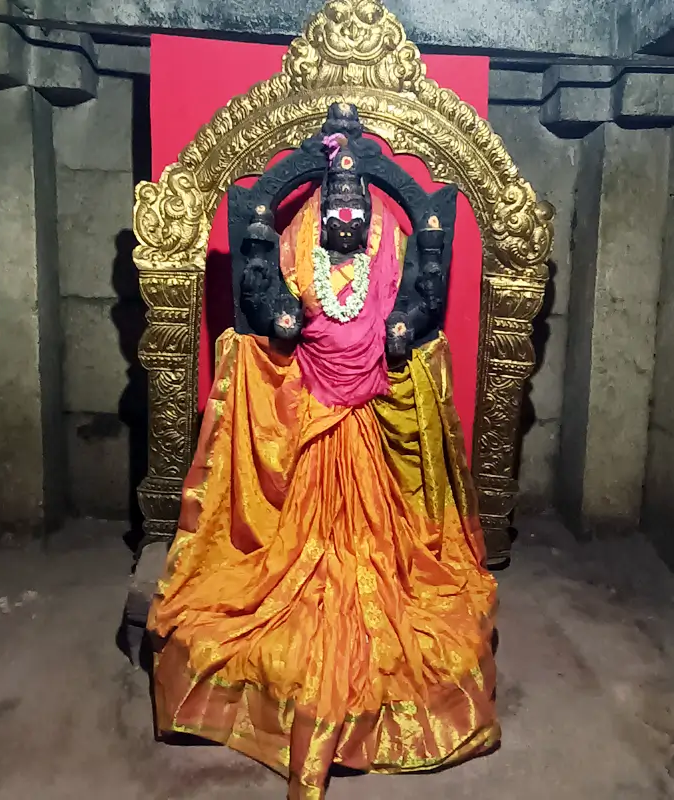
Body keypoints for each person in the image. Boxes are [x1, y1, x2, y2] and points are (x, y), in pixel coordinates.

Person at [148, 109, 499, 800]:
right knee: (290, 551)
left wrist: (402, 325)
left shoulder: (392, 248)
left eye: (353, 204)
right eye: (334, 202)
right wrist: (279, 314)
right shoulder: (292, 245)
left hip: (369, 415)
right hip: (308, 410)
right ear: (319, 210)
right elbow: (262, 291)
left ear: (368, 211)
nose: (345, 214)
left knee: (382, 555)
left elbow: (422, 298)